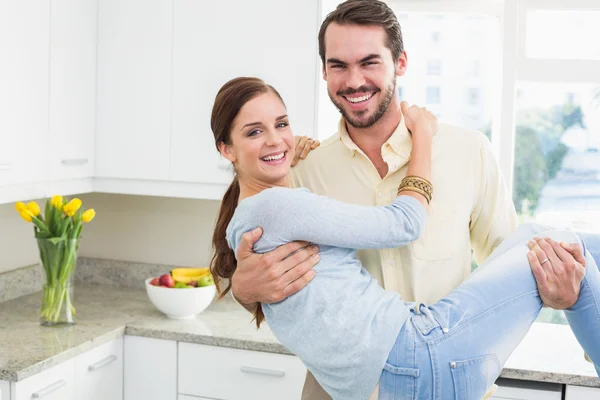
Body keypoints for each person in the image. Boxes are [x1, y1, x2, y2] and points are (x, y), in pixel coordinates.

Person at [227, 1, 585, 398]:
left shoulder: (468, 153)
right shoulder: (299, 173)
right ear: (325, 71)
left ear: (400, 63)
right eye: (338, 66)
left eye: (370, 62)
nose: (354, 80)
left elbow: (515, 265)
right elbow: (271, 277)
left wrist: (560, 291)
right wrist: (244, 289)